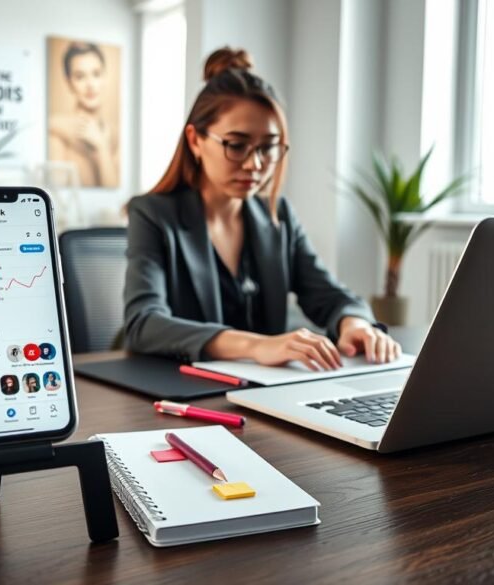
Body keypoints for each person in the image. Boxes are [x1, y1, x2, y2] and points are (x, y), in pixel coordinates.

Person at [123, 47, 401, 371]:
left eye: (268, 147)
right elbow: (143, 323)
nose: (255, 164)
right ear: (195, 141)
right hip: (180, 389)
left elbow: (329, 294)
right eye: (236, 145)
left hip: (262, 391)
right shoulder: (153, 214)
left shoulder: (278, 215)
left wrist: (355, 324)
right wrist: (257, 346)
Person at [48, 42, 119, 187]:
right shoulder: (57, 136)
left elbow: (115, 194)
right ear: (69, 82)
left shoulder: (115, 135)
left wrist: (101, 146)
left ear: (105, 77)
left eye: (96, 74)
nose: (90, 84)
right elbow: (57, 198)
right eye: (80, 77)